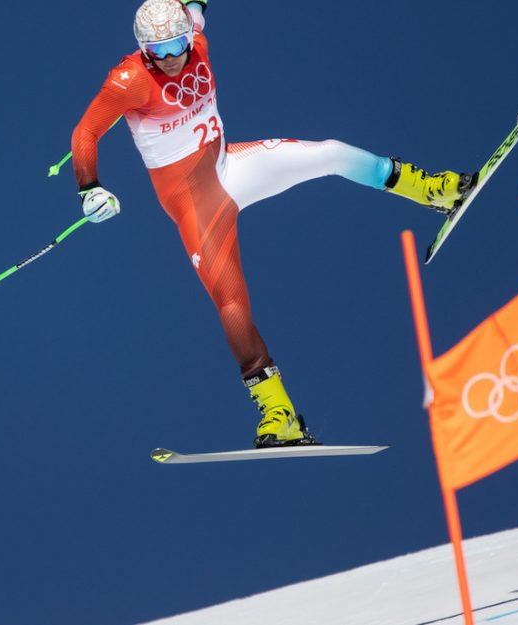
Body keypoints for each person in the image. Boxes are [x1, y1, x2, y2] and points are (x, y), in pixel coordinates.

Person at [71, 0, 474, 448]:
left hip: (233, 167)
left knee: (332, 153)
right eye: (156, 48)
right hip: (197, 206)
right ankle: (278, 413)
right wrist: (90, 188)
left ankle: (437, 191)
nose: (168, 56)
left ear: (189, 34)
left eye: (175, 43)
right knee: (231, 300)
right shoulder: (128, 80)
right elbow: (85, 133)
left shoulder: (197, 36)